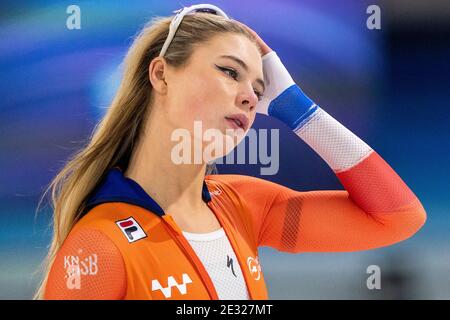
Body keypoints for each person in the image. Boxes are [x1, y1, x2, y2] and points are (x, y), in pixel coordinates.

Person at [36, 4, 426, 300]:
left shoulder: (244, 206)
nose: (249, 98)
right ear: (161, 74)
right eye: (229, 71)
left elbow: (397, 217)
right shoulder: (99, 245)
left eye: (259, 91)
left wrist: (296, 107)